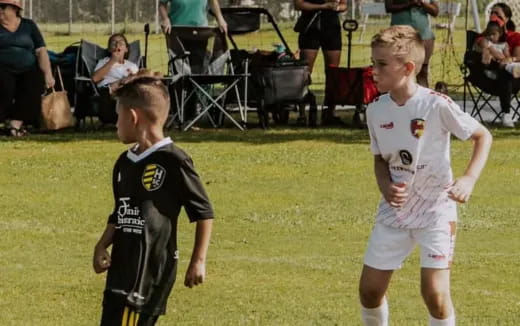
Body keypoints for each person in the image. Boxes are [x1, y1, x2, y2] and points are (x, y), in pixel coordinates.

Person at [359, 25, 492, 326]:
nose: (374, 71)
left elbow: (483, 136)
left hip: (436, 210)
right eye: (373, 63)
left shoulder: (435, 104)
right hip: (395, 213)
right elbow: (380, 159)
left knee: (434, 293)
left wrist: (468, 179)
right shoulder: (376, 110)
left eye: (381, 64)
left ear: (407, 68)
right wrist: (386, 187)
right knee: (369, 291)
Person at [93, 71, 214, 326]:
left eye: (118, 116)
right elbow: (120, 211)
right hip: (122, 270)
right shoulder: (124, 163)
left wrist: (198, 261)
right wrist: (102, 244)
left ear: (133, 117)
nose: (116, 124)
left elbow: (203, 212)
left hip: (147, 272)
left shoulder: (174, 161)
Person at [158, 0, 228, 128]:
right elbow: (162, 4)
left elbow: (213, 2)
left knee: (195, 75)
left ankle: (190, 118)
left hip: (200, 33)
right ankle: (177, 115)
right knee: (179, 75)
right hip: (176, 33)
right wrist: (165, 19)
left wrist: (220, 19)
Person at [0, 0, 55, 136]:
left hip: (28, 67)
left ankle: (15, 125)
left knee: (34, 84)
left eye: (2, 7)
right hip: (3, 68)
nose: (0, 10)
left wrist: (48, 74)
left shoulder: (28, 25)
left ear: (14, 8)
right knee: (4, 86)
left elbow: (41, 51)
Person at [294, 0, 347, 126]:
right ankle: (302, 114)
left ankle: (330, 112)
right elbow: (298, 4)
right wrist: (323, 6)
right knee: (305, 72)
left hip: (331, 27)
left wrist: (337, 7)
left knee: (333, 72)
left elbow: (344, 5)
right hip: (311, 27)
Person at [472, 2, 520, 127]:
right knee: (505, 70)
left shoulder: (515, 37)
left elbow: (518, 56)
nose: (493, 16)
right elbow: (481, 45)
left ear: (507, 18)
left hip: (513, 80)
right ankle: (506, 113)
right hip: (488, 78)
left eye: (497, 13)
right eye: (492, 13)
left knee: (507, 69)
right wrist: (486, 50)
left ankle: (506, 113)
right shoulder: (484, 37)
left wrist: (510, 59)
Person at [385, 0, 439, 88]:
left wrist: (421, 3)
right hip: (400, 36)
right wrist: (409, 4)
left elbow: (435, 11)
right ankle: (400, 97)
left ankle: (422, 98)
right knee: (399, 69)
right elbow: (389, 7)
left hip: (424, 36)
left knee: (422, 70)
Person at [91, 33, 139, 124]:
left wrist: (130, 78)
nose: (117, 45)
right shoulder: (104, 62)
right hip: (108, 93)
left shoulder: (132, 65)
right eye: (114, 43)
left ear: (126, 49)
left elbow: (139, 80)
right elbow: (95, 78)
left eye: (121, 43)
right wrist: (112, 61)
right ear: (109, 49)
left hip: (128, 89)